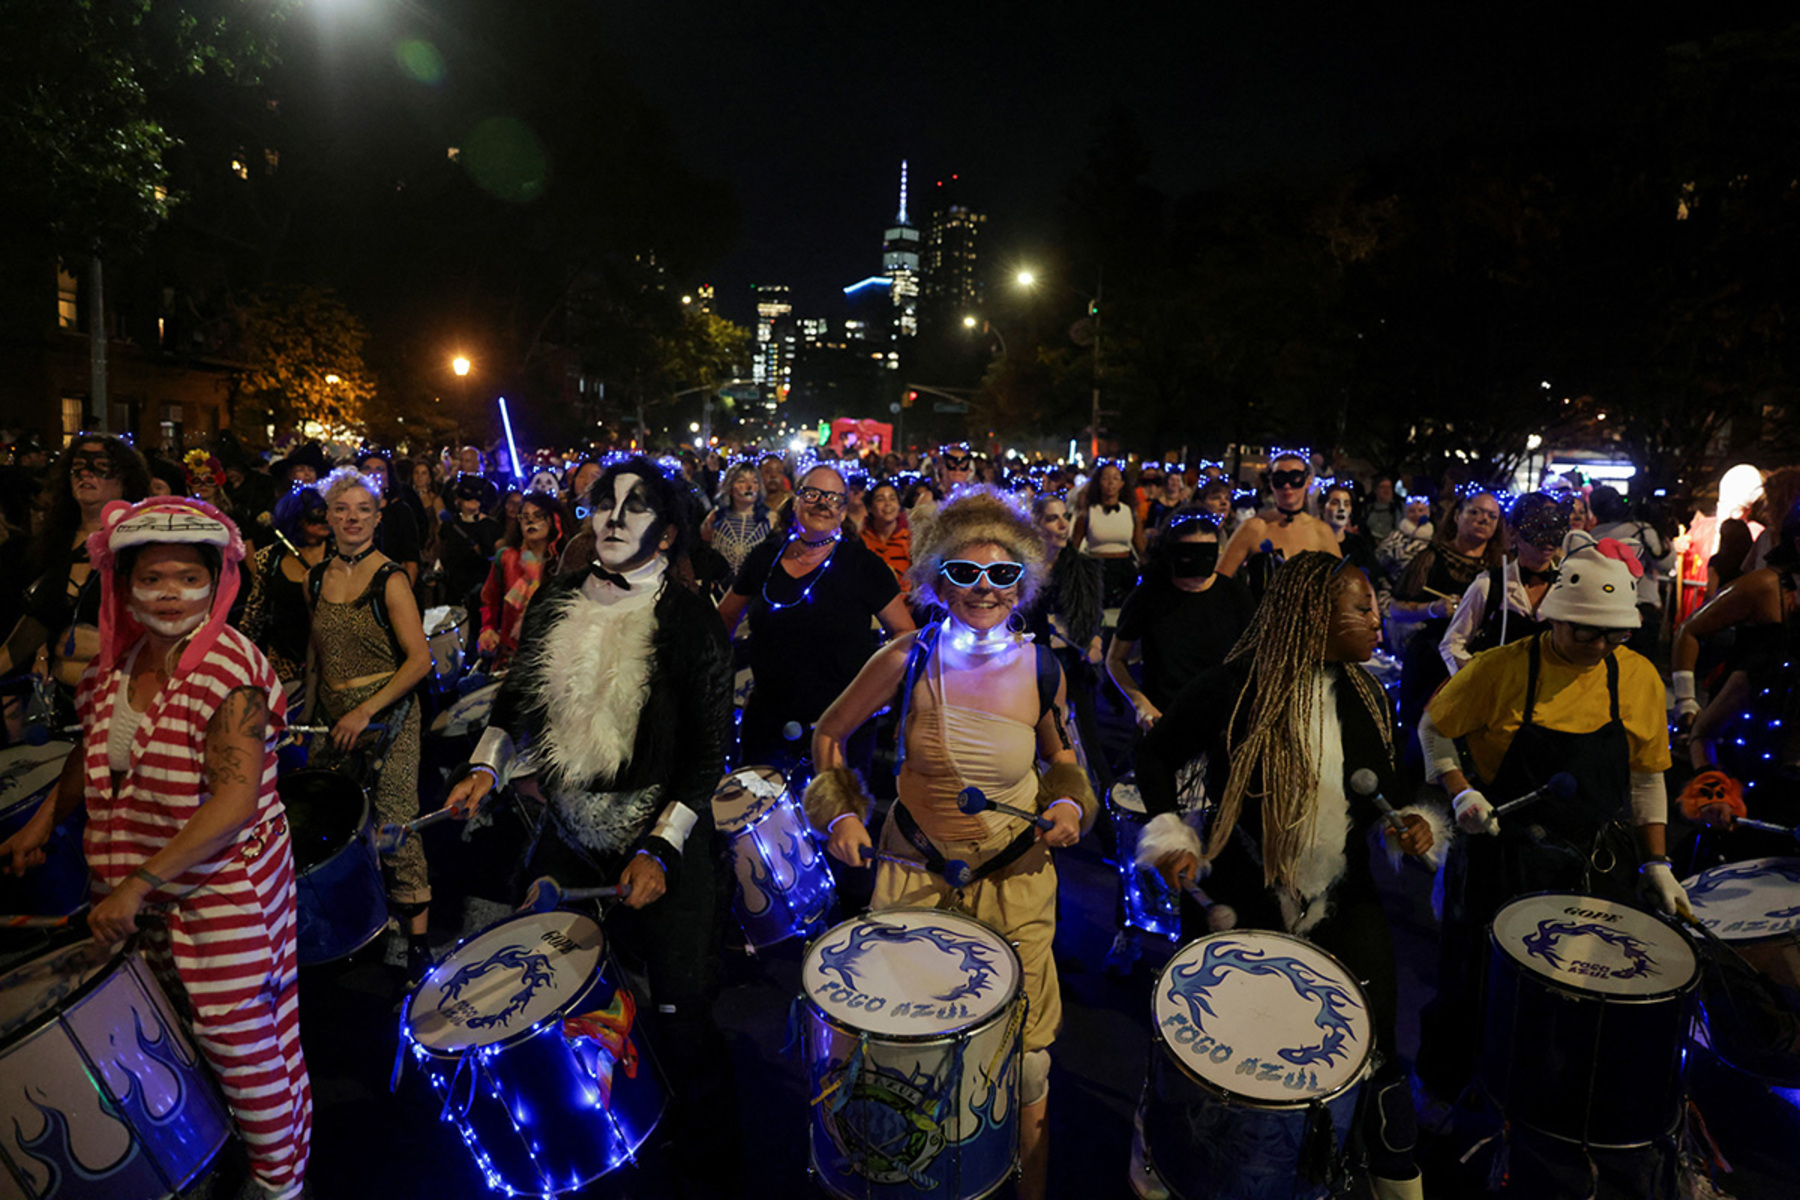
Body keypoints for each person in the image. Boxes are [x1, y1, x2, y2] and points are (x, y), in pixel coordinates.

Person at [2, 497, 311, 1200]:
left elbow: (234, 802)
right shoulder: (119, 662)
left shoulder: (233, 669)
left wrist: (138, 883)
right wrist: (44, 820)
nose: (170, 594)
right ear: (124, 586)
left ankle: (282, 1185)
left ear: (217, 583)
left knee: (242, 1045)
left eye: (187, 578)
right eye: (151, 579)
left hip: (220, 893)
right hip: (135, 893)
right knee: (165, 1036)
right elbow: (97, 752)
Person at [445, 456, 740, 1193]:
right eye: (603, 504)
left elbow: (708, 757)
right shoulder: (553, 600)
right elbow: (515, 704)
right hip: (571, 833)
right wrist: (485, 766)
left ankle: (710, 1156)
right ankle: (598, 1130)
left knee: (679, 1011)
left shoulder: (690, 620)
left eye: (634, 507)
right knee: (557, 988)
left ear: (668, 533)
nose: (612, 519)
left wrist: (661, 853)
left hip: (662, 837)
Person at [802, 486, 1096, 1200]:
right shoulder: (907, 657)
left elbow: (1065, 764)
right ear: (936, 581)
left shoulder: (1042, 668)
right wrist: (839, 811)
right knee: (892, 1050)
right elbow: (829, 734)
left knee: (1025, 1068)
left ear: (1023, 583)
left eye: (1001, 576)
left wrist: (1067, 806)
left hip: (1017, 881)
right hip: (911, 875)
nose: (984, 590)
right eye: (964, 575)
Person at [1130, 552, 1441, 1200]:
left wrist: (1409, 826)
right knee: (1232, 1057)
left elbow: (1391, 793)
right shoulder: (1236, 687)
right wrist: (1169, 832)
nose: (1377, 621)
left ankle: (1391, 1174)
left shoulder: (1368, 696)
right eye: (1361, 609)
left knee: (1375, 1044)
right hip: (1244, 897)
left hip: (1344, 900)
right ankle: (1176, 1154)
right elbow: (1156, 753)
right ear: (1312, 617)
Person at [1414, 532, 1684, 1112]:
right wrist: (1460, 793)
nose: (1599, 645)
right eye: (1587, 631)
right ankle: (1443, 1096)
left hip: (1591, 865)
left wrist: (1657, 861)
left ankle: (1546, 1107)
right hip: (1502, 855)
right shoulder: (1500, 668)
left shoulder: (1637, 677)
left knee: (1576, 996)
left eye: (1614, 634)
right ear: (1556, 617)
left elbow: (1646, 775)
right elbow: (1434, 728)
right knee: (1474, 987)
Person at [1101, 509, 1252, 973]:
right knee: (1143, 844)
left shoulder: (1236, 597)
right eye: (1189, 555)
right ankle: (1129, 931)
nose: (1197, 567)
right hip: (1162, 736)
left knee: (1214, 846)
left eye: (1208, 554)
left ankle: (1203, 950)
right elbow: (1116, 661)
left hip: (1221, 738)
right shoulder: (1149, 596)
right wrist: (1141, 703)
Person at [305, 467, 434, 977]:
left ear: (378, 518)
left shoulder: (390, 577)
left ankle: (417, 950)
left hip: (388, 715)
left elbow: (420, 660)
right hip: (333, 718)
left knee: (394, 823)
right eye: (342, 509)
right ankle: (356, 929)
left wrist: (366, 710)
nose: (352, 518)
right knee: (330, 819)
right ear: (329, 517)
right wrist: (306, 709)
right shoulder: (316, 576)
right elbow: (317, 654)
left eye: (363, 509)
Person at [718, 464, 914, 773]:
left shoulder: (864, 565)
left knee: (834, 820)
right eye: (812, 494)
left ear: (843, 510)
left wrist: (878, 698)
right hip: (768, 729)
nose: (823, 503)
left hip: (841, 734)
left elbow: (905, 635)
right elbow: (724, 620)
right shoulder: (764, 558)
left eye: (834, 498)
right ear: (795, 501)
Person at [1, 435, 152, 718]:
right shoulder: (54, 545)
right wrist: (41, 653)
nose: (86, 475)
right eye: (79, 467)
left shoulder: (140, 544)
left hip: (125, 704)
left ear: (125, 478)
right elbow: (26, 636)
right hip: (66, 703)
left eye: (101, 467)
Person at [1439, 491, 1569, 675]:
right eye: (1538, 528)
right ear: (1513, 532)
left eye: (1555, 528)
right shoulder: (1489, 584)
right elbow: (1452, 643)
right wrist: (1476, 676)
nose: (1548, 540)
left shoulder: (1569, 586)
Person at [240, 486, 332, 688]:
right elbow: (255, 613)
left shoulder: (340, 555)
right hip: (283, 663)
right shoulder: (269, 558)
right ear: (296, 518)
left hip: (331, 661)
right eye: (317, 513)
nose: (326, 518)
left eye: (328, 510)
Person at [1217, 451, 1340, 601]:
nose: (1287, 486)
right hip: (1261, 619)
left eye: (1295, 478)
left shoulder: (1321, 531)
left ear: (1308, 480)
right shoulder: (1254, 528)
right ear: (1271, 483)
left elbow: (1341, 584)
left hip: (1309, 621)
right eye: (1279, 479)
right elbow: (1220, 580)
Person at [476, 491, 564, 670]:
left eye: (538, 516)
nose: (530, 521)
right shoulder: (506, 558)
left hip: (552, 658)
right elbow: (489, 599)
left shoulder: (563, 562)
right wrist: (488, 628)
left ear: (553, 521)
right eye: (525, 517)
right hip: (511, 658)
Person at [1071, 461, 1146, 609]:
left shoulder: (1131, 513)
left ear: (1122, 483)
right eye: (1105, 478)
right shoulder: (1087, 514)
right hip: (1096, 570)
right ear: (1098, 482)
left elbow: (1139, 546)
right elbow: (1074, 546)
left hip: (1124, 569)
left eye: (1115, 478)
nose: (1110, 483)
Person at [699, 460, 773, 581]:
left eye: (755, 482)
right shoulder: (715, 517)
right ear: (729, 486)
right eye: (742, 481)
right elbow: (704, 553)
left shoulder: (770, 519)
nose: (749, 487)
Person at [858, 478, 912, 591]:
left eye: (892, 499)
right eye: (880, 499)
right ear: (870, 508)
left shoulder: (911, 539)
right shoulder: (860, 541)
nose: (888, 504)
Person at [1361, 475, 1404, 542]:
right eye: (1382, 487)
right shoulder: (1368, 508)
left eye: (1389, 487)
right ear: (1375, 490)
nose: (1386, 490)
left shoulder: (1400, 507)